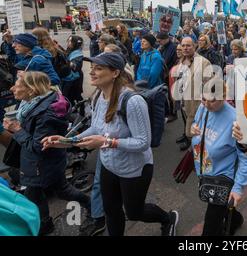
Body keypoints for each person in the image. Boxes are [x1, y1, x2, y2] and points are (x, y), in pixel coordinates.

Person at [42, 53, 179, 236]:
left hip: (135, 169)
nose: (91, 73)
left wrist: (107, 142)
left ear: (115, 73)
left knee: (134, 212)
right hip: (109, 165)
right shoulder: (98, 96)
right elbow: (95, 129)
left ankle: (168, 219)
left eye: (98, 68)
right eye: (92, 68)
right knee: (111, 210)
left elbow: (143, 142)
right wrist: (65, 141)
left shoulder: (133, 101)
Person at [3, 72, 91, 236]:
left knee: (56, 191)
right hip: (40, 163)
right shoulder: (32, 103)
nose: (12, 87)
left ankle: (90, 204)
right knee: (38, 193)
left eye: (17, 84)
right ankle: (45, 223)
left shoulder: (46, 113)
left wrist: (16, 130)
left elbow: (38, 146)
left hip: (42, 163)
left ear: (31, 90)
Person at [191, 84, 247, 236]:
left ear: (223, 97)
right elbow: (197, 125)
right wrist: (193, 128)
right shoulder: (203, 108)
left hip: (222, 179)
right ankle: (235, 219)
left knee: (210, 228)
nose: (206, 104)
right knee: (222, 208)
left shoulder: (236, 120)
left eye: (212, 101)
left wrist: (238, 187)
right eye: (203, 99)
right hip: (205, 172)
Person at [172, 37, 212, 151]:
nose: (185, 48)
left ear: (194, 47)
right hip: (185, 103)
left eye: (188, 45)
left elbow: (210, 86)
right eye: (183, 45)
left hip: (198, 106)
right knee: (188, 127)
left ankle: (196, 154)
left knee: (198, 135)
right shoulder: (181, 61)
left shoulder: (204, 62)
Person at [61, 36, 84, 110]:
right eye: (68, 40)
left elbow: (75, 67)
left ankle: (82, 111)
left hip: (76, 78)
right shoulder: (70, 50)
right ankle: (73, 109)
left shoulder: (78, 54)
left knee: (77, 95)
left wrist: (65, 59)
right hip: (69, 77)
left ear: (75, 43)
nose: (68, 42)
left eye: (70, 41)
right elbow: (65, 54)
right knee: (69, 95)